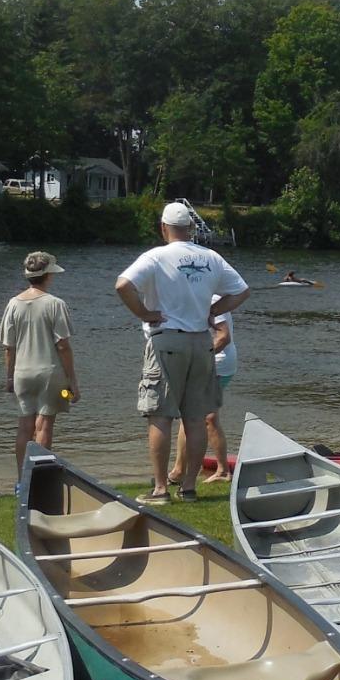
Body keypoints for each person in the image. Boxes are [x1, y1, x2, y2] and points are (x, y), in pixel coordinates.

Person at [116, 201, 251, 504]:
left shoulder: (156, 256)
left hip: (167, 341)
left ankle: (161, 488)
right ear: (190, 228)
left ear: (163, 228)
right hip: (202, 342)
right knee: (195, 418)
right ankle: (189, 487)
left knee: (161, 416)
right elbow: (242, 291)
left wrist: (145, 313)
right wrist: (213, 310)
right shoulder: (211, 257)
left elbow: (123, 285)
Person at [0, 250, 77, 463]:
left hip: (21, 374)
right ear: (49, 275)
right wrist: (72, 381)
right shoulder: (55, 304)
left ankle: (20, 480)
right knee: (43, 425)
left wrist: (8, 378)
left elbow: (9, 347)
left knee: (24, 426)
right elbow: (63, 346)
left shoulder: (13, 304)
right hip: (50, 374)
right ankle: (38, 476)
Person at [197, 311, 236, 485]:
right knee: (198, 416)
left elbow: (223, 336)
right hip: (218, 363)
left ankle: (222, 470)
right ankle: (187, 467)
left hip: (216, 364)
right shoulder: (207, 292)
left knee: (207, 417)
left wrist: (200, 357)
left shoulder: (212, 297)